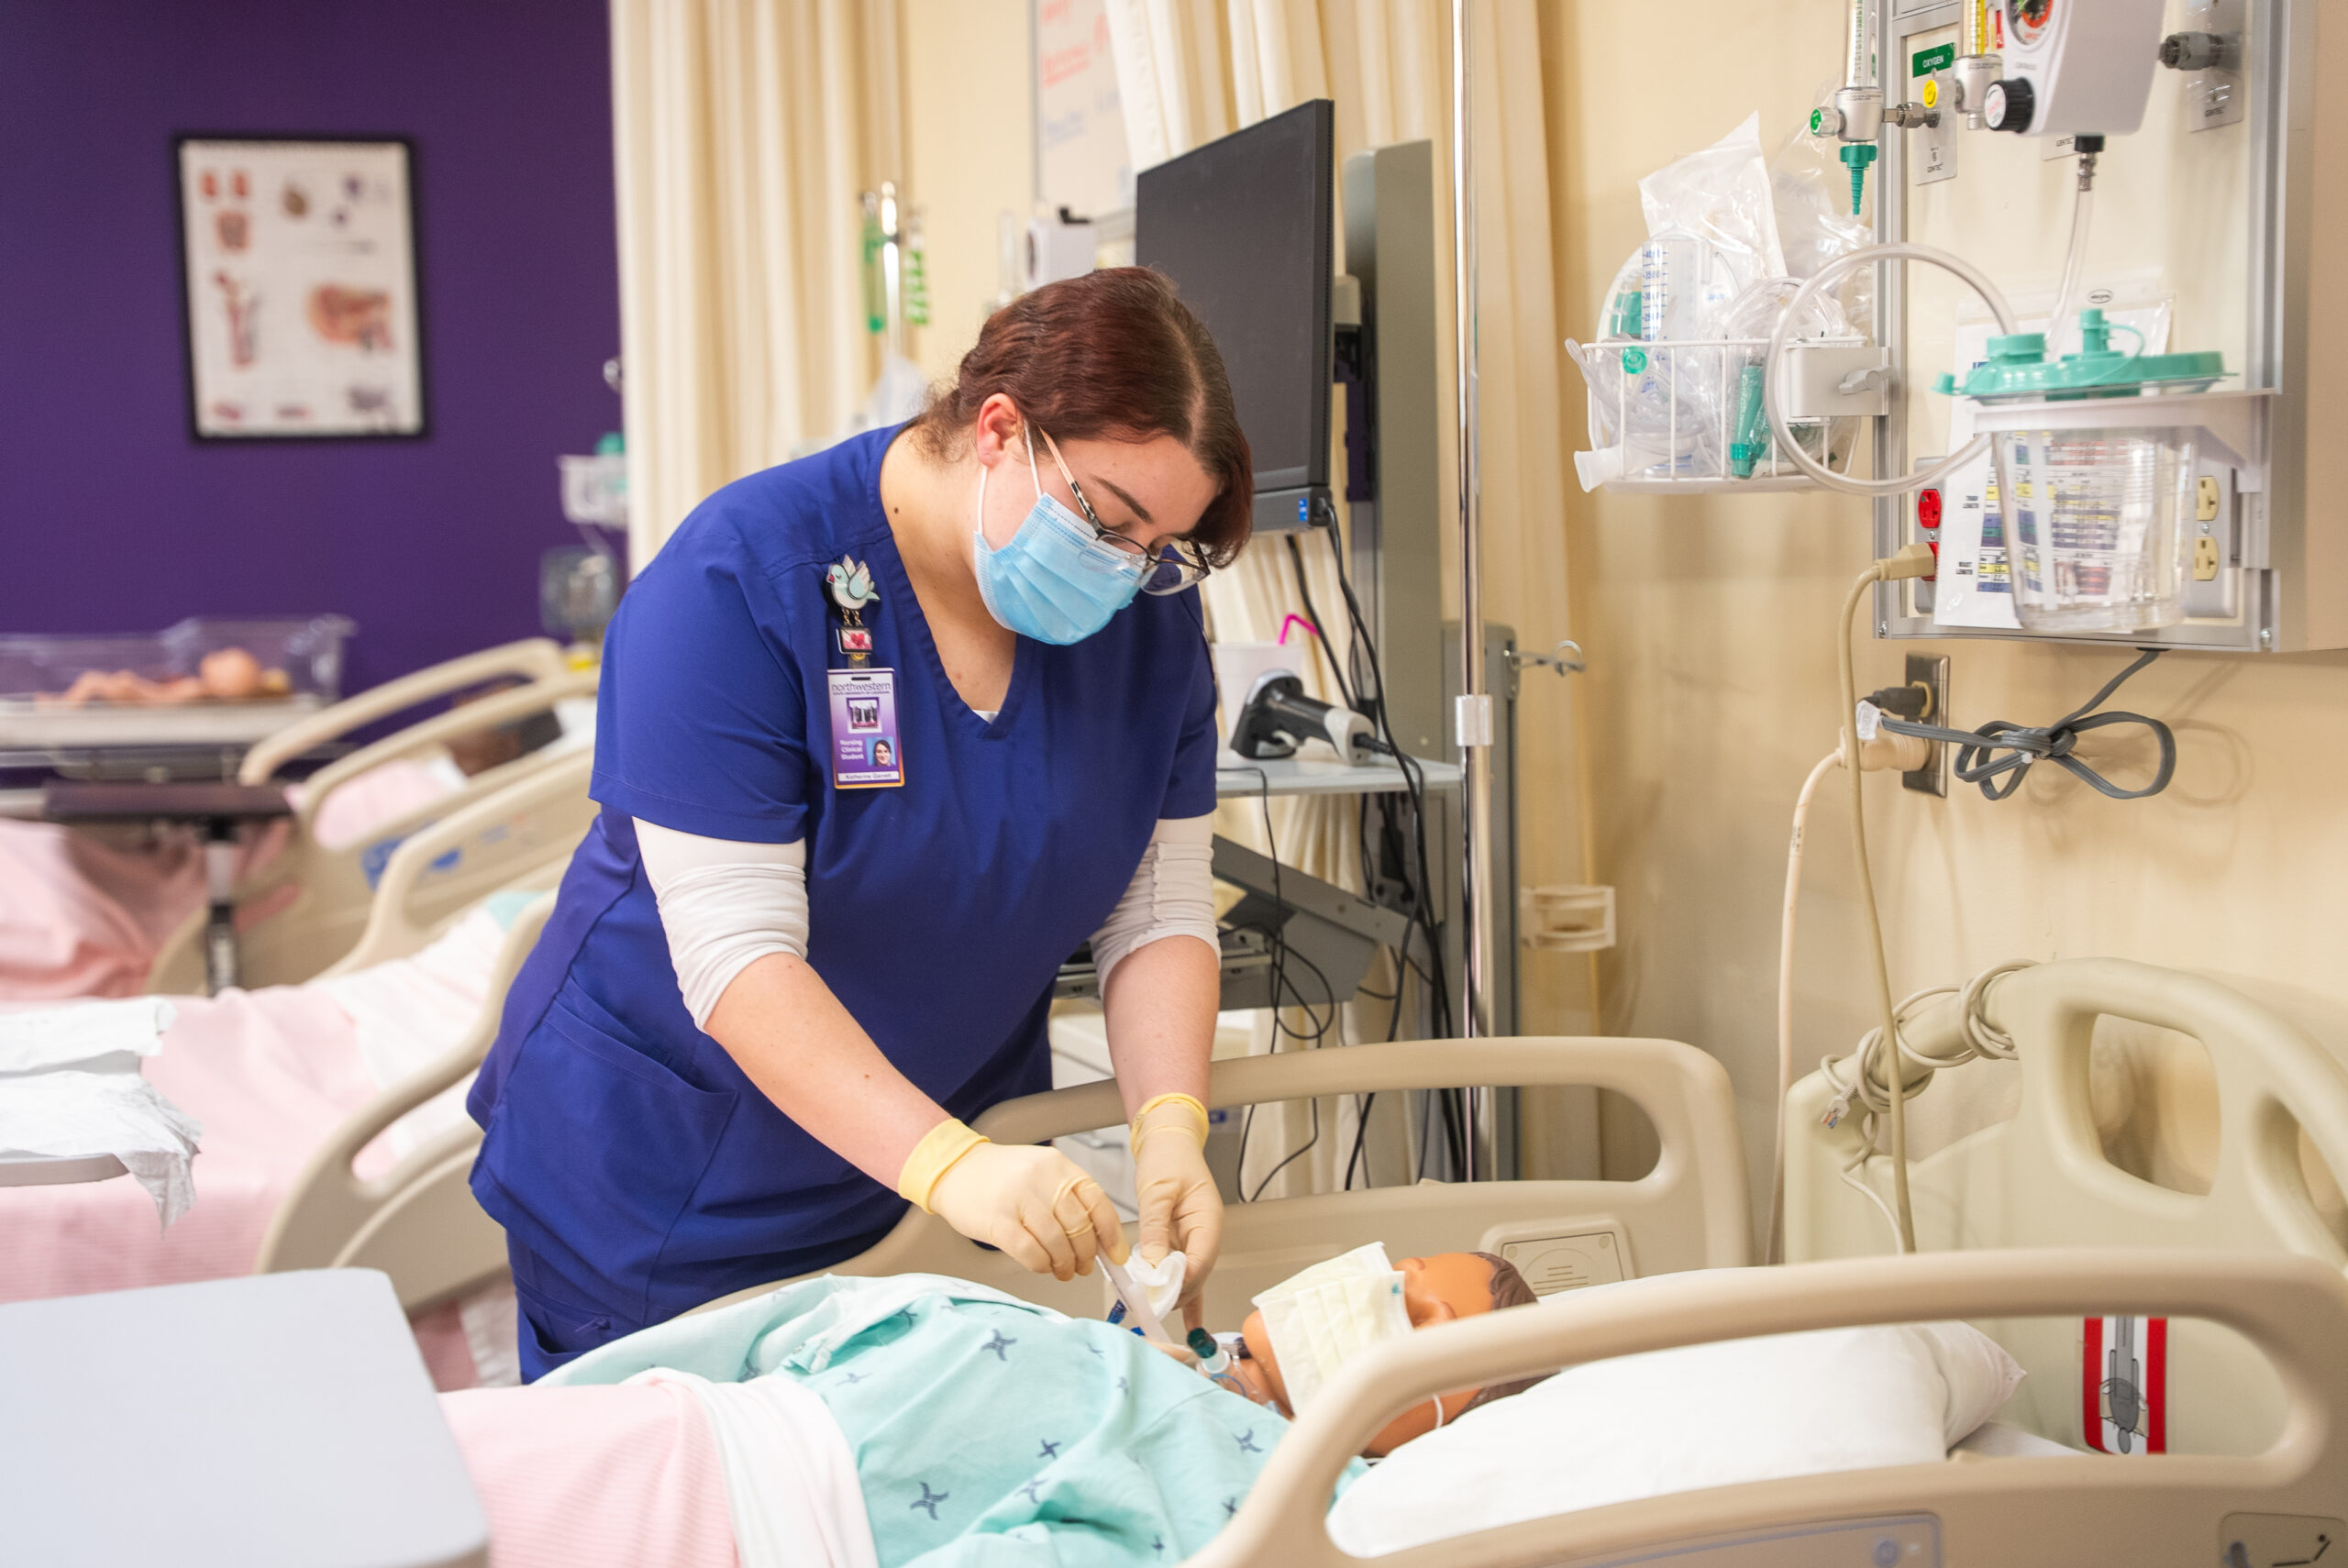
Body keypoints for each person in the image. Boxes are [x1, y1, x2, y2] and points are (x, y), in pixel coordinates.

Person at [467, 269, 1254, 1376]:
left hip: (932, 1189)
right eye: (1109, 521)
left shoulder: (1140, 623)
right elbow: (737, 956)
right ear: (998, 431)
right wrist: (949, 1164)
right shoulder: (736, 584)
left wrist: (1169, 1122)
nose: (1126, 572)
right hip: (674, 1186)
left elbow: (1158, 905)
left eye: (1160, 547)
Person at [442, 1252, 1542, 1568]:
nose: (1371, 1292)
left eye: (1419, 1318)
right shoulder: (1144, 1353)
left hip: (746, 1522)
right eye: (1392, 1270)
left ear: (1446, 1429)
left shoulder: (1264, 1492)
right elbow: (795, 1321)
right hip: (680, 1427)